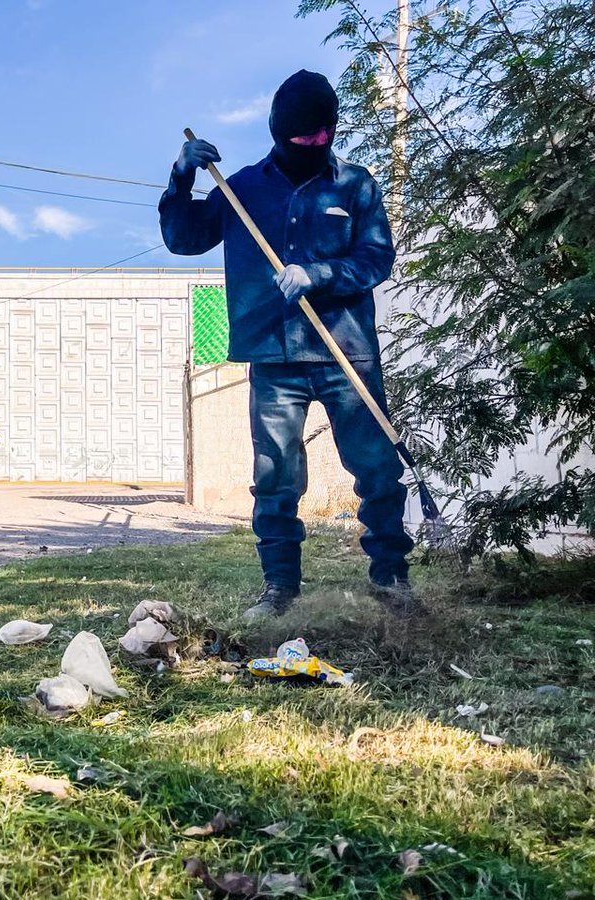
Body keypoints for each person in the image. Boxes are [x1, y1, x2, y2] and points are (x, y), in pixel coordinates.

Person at [158, 70, 419, 619]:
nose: (315, 146)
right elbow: (184, 240)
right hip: (273, 357)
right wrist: (181, 179)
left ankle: (393, 584)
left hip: (347, 352)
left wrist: (318, 273)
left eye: (324, 136)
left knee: (375, 469)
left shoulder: (356, 186)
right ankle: (279, 590)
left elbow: (376, 261)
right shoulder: (243, 189)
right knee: (275, 474)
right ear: (279, 132)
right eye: (303, 139)